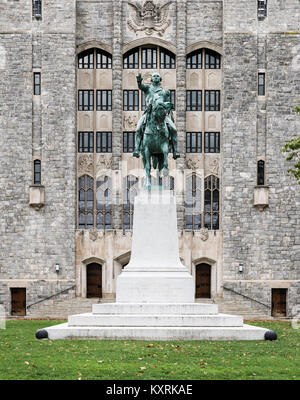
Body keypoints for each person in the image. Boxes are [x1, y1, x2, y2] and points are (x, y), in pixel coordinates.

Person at [133, 72, 180, 159]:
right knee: (138, 128)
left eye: (157, 76)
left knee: (173, 129)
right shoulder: (148, 88)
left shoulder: (165, 92)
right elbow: (140, 87)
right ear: (151, 79)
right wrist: (139, 81)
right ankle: (137, 149)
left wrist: (168, 107)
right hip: (149, 113)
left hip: (162, 115)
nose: (155, 77)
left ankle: (175, 150)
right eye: (154, 76)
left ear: (160, 79)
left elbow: (167, 103)